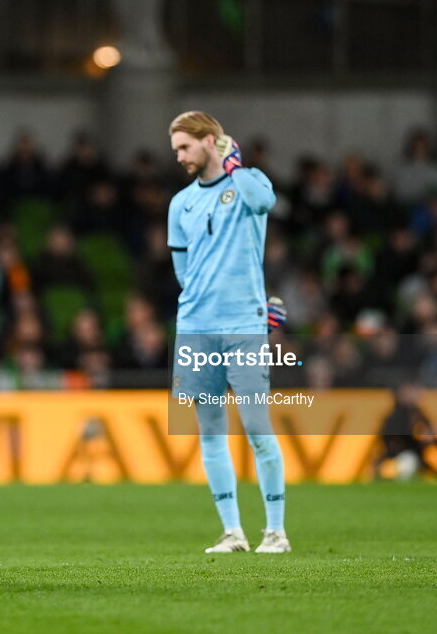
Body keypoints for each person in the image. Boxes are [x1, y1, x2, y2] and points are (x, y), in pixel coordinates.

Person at [167, 111, 290, 553]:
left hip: (243, 326)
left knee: (258, 427)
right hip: (197, 327)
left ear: (209, 141)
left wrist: (234, 163)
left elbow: (263, 202)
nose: (179, 156)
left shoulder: (247, 182)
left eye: (185, 146)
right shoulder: (180, 203)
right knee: (211, 432)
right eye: (176, 148)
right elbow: (184, 271)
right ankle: (232, 531)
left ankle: (275, 531)